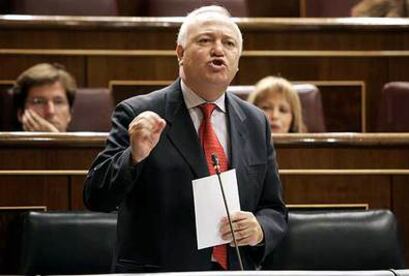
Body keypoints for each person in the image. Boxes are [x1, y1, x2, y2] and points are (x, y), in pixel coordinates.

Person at [83, 5, 287, 273]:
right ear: (180, 53)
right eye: (205, 40)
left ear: (237, 61)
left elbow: (273, 209)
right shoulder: (138, 112)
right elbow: (97, 198)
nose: (218, 50)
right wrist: (133, 157)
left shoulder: (255, 121)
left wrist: (260, 229)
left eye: (229, 43)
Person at [12, 63, 76, 132]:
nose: (50, 111)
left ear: (70, 113)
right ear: (20, 114)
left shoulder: (86, 142)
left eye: (58, 102)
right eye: (39, 102)